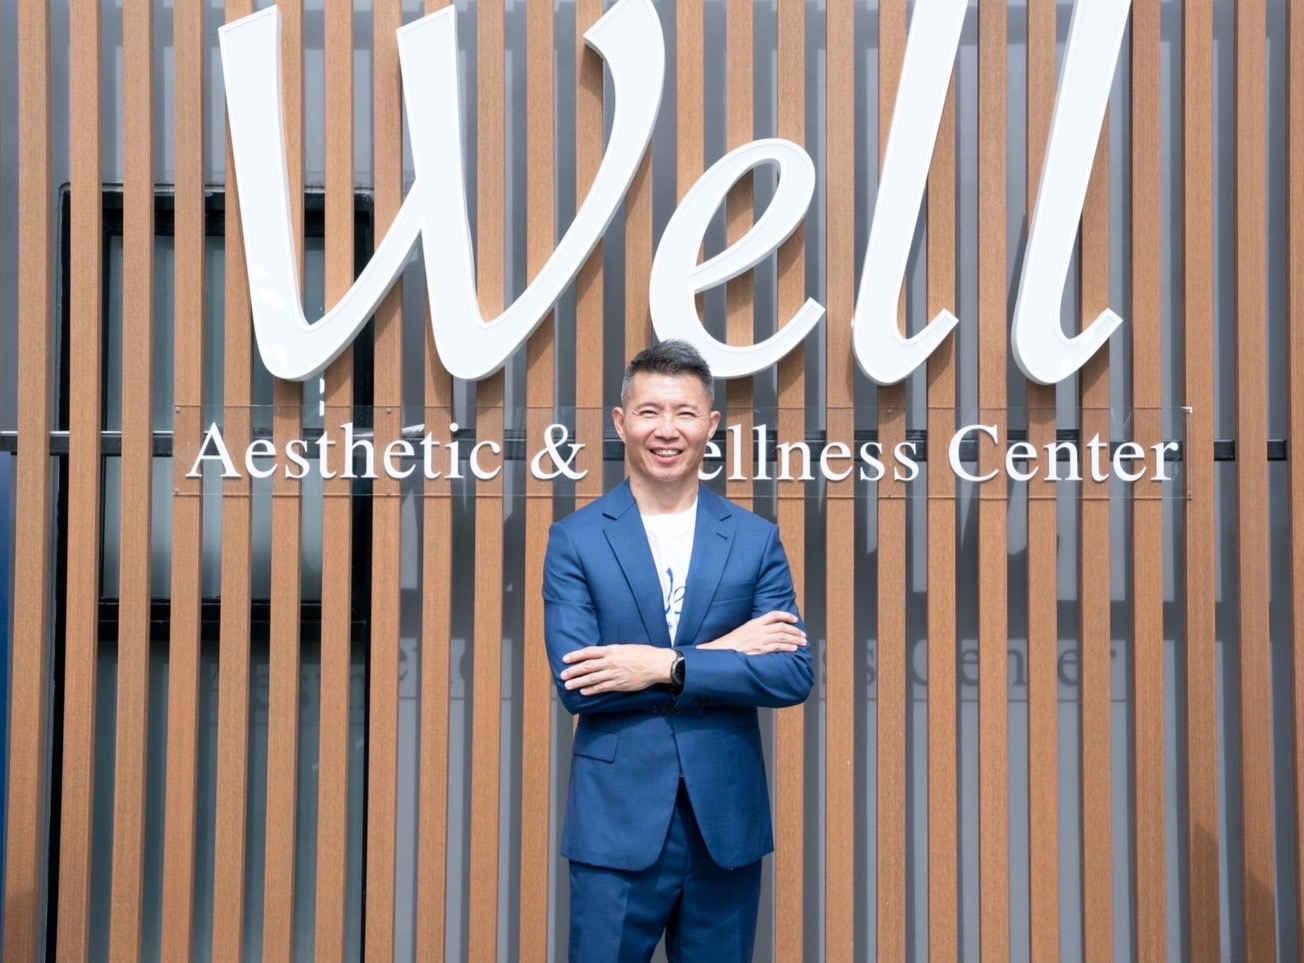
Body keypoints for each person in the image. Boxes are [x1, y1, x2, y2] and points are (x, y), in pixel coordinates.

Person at [543, 339, 812, 962]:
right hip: (616, 824)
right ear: (621, 422)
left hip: (725, 822)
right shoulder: (576, 541)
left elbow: (791, 673)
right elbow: (580, 685)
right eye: (650, 412)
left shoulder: (754, 540)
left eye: (685, 413)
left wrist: (664, 664)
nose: (667, 430)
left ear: (710, 425)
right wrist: (725, 652)